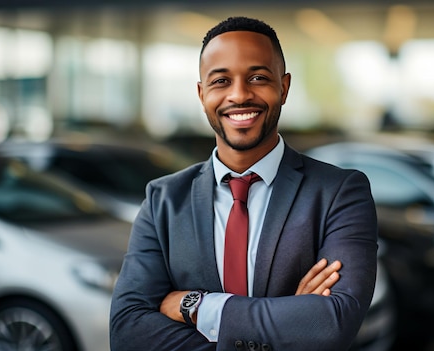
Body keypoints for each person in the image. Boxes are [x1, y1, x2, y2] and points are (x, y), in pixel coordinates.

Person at [110, 16, 378, 351]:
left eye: (257, 77)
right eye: (221, 80)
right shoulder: (163, 199)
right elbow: (127, 331)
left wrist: (194, 306)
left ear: (284, 87)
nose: (239, 95)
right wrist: (290, 324)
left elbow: (334, 321)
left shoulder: (339, 192)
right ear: (201, 92)